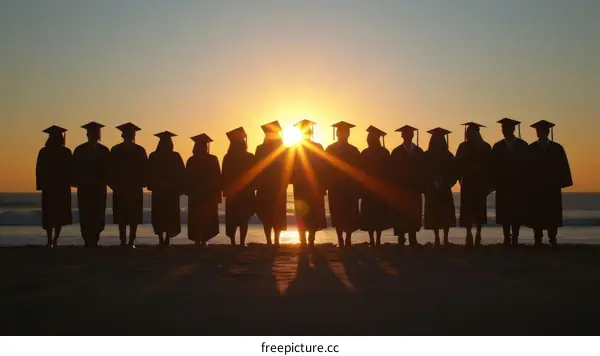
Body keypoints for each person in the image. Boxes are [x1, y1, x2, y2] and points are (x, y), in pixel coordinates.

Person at [527, 120, 572, 247]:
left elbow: (563, 166)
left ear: (546, 132)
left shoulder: (557, 148)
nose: (538, 133)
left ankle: (553, 239)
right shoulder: (531, 148)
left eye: (540, 131)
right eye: (537, 131)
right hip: (536, 187)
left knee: (552, 213)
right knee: (537, 213)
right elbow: (526, 168)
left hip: (552, 186)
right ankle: (538, 239)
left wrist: (562, 182)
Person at [490, 118, 529, 246]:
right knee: (505, 212)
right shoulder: (497, 146)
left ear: (513, 129)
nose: (504, 131)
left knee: (516, 212)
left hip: (518, 184)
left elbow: (527, 165)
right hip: (503, 185)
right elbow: (493, 167)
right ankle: (507, 237)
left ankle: (515, 237)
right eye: (502, 128)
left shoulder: (523, 145)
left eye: (506, 128)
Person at [109, 122, 148, 248]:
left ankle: (131, 241)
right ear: (123, 135)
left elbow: (145, 169)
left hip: (134, 187)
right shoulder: (115, 150)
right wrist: (113, 184)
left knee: (133, 217)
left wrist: (143, 182)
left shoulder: (140, 150)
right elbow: (110, 169)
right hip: (121, 187)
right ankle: (123, 241)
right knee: (122, 217)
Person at [72, 122, 110, 247]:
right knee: (85, 213)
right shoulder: (80, 150)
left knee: (98, 213)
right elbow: (74, 168)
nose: (93, 136)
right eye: (91, 133)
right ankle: (87, 240)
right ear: (87, 134)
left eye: (96, 134)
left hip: (98, 187)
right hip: (85, 187)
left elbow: (108, 169)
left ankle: (95, 239)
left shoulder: (104, 150)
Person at [456, 122, 492, 247]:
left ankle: (478, 233)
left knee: (479, 210)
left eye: (471, 132)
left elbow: (490, 166)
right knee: (467, 210)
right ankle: (468, 233)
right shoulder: (463, 147)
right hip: (467, 182)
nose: (469, 135)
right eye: (468, 132)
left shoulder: (486, 147)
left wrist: (488, 184)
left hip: (480, 182)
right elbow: (457, 164)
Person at [292, 119, 327, 247]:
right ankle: (303, 240)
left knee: (313, 212)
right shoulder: (295, 148)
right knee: (301, 212)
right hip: (301, 185)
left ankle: (310, 239)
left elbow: (323, 166)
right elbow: (290, 166)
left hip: (313, 185)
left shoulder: (318, 147)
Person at [325, 121, 361, 247]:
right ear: (337, 133)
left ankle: (348, 238)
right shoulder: (330, 149)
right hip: (335, 186)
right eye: (340, 131)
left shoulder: (354, 150)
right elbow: (325, 168)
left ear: (348, 134)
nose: (343, 134)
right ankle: (340, 238)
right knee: (337, 212)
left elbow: (358, 170)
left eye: (345, 132)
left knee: (349, 212)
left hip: (349, 186)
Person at [36, 126, 73, 248]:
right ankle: (54, 240)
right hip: (59, 187)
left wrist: (41, 184)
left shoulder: (45, 151)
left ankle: (51, 240)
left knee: (51, 214)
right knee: (57, 215)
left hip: (51, 187)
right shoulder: (65, 152)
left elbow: (39, 170)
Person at [147, 131, 185, 246]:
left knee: (164, 215)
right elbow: (181, 173)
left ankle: (163, 239)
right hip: (167, 190)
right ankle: (164, 239)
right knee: (166, 215)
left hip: (165, 190)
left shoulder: (155, 156)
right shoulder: (173, 156)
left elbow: (181, 173)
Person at [255, 121, 288, 246]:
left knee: (270, 212)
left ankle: (272, 239)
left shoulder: (263, 148)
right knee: (271, 212)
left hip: (271, 184)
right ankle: (273, 240)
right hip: (272, 184)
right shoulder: (263, 148)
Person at [390, 125, 424, 247]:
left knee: (413, 213)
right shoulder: (396, 152)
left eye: (409, 134)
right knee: (401, 213)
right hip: (401, 188)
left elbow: (422, 170)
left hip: (414, 188)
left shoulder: (419, 152)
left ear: (413, 135)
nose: (407, 136)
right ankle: (401, 238)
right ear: (402, 135)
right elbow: (392, 171)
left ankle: (413, 238)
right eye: (405, 134)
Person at [422, 128, 457, 247]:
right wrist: (430, 183)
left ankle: (445, 238)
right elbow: (423, 171)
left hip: (444, 188)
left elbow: (454, 172)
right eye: (436, 139)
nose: (438, 141)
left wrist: (447, 182)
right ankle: (437, 238)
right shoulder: (426, 155)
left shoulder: (448, 155)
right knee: (434, 215)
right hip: (432, 188)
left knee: (445, 214)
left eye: (440, 139)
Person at [185, 134, 222, 246]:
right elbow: (217, 177)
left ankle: (198, 240)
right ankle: (204, 240)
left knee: (196, 217)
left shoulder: (191, 160)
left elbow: (187, 178)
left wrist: (187, 190)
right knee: (206, 217)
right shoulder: (212, 159)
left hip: (196, 194)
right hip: (208, 193)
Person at [222, 127, 256, 246]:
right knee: (243, 218)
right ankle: (242, 242)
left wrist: (225, 190)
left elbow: (224, 175)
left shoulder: (227, 157)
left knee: (232, 218)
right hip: (246, 192)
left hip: (233, 192)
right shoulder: (250, 157)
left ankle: (233, 242)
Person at [359, 126, 391, 247]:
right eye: (370, 137)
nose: (371, 139)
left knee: (379, 214)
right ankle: (372, 239)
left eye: (373, 137)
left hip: (380, 188)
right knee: (369, 215)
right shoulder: (364, 153)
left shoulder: (384, 152)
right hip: (368, 188)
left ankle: (378, 239)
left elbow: (388, 171)